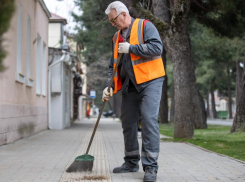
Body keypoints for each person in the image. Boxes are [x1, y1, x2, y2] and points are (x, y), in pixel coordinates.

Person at [102, 1, 165, 182]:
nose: (113, 24)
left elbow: (157, 48)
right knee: (128, 123)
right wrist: (109, 86)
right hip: (129, 85)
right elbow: (112, 66)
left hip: (150, 81)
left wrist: (132, 48)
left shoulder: (145, 26)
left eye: (114, 20)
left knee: (148, 120)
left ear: (124, 14)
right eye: (111, 22)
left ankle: (151, 167)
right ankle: (130, 162)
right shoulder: (116, 37)